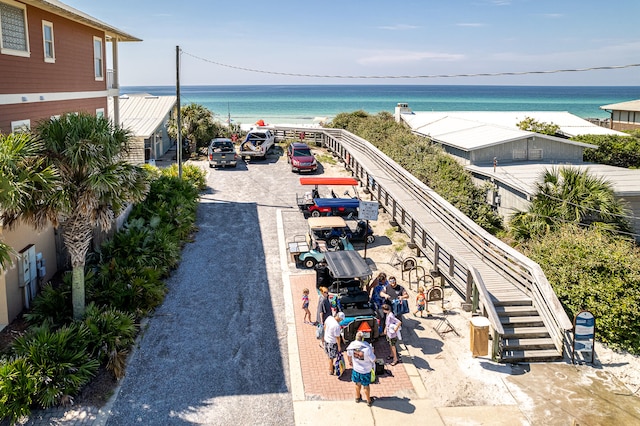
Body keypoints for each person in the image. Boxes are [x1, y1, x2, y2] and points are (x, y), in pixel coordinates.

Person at [346, 331, 376, 407]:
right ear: (363, 338)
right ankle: (368, 400)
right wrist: (373, 352)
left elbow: (348, 355)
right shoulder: (367, 348)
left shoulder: (351, 346)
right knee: (366, 386)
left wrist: (350, 362)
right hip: (365, 371)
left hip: (356, 369)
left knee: (357, 384)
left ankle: (357, 397)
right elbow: (373, 359)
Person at [324, 311, 345, 375]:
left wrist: (326, 334)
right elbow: (337, 337)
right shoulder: (336, 326)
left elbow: (324, 326)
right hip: (332, 342)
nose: (341, 321)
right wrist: (339, 346)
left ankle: (330, 367)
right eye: (341, 320)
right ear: (339, 318)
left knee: (328, 355)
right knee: (331, 357)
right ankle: (331, 370)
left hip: (326, 340)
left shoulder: (329, 318)